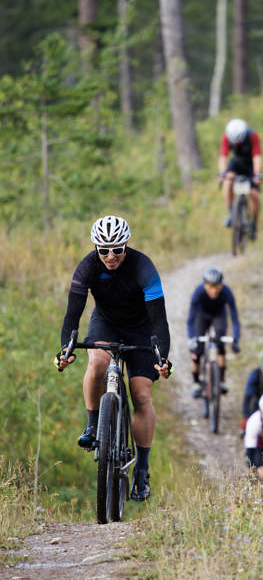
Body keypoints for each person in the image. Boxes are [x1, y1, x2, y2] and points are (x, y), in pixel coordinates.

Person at [55, 215, 172, 502]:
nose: (110, 256)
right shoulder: (87, 267)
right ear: (96, 247)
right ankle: (93, 424)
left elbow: (160, 320)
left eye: (117, 249)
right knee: (96, 362)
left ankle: (142, 471)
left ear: (126, 246)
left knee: (141, 394)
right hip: (106, 322)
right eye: (104, 250)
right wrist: (65, 350)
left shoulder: (143, 267)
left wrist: (163, 357)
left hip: (141, 328)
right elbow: (73, 314)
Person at [187, 267, 240, 397]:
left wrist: (236, 339)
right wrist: (192, 338)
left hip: (219, 315)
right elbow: (190, 321)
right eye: (210, 286)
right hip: (202, 316)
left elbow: (235, 319)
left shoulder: (227, 292)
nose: (214, 290)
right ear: (205, 285)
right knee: (197, 350)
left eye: (217, 286)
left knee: (220, 343)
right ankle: (196, 383)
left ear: (221, 284)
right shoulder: (198, 292)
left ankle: (221, 380)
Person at [218, 118, 262, 237]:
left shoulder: (252, 136)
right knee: (228, 182)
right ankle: (231, 214)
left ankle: (254, 222)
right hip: (236, 162)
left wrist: (257, 174)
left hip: (251, 164)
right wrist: (222, 172)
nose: (237, 144)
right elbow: (223, 156)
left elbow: (257, 156)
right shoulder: (226, 137)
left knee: (254, 194)